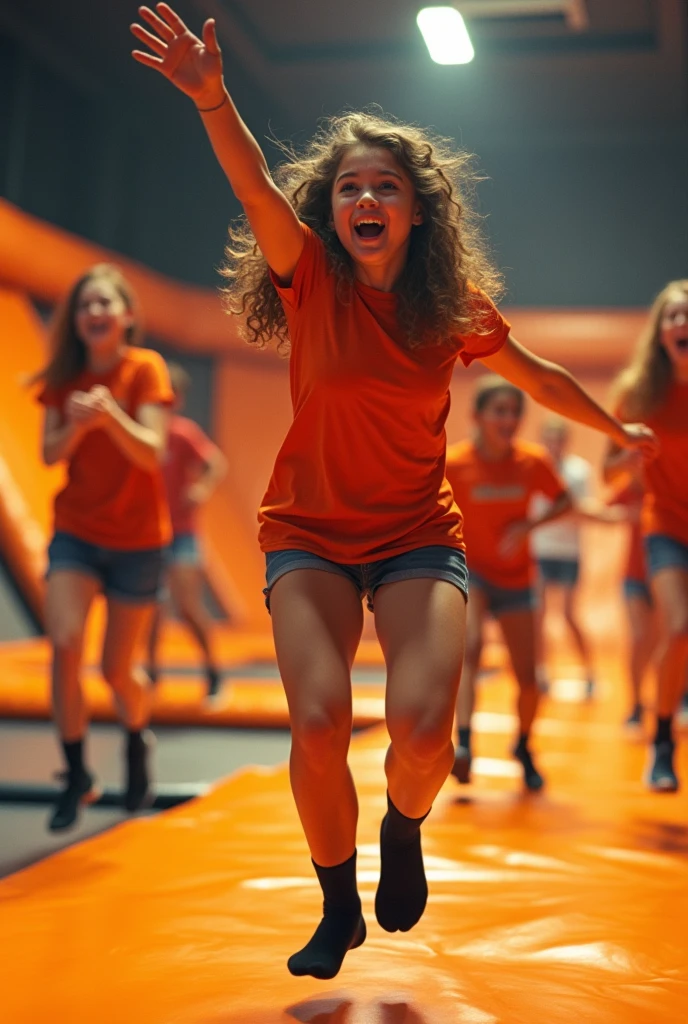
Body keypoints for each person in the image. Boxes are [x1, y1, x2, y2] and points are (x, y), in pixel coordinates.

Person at [130, 3, 655, 979]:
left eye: (384, 186)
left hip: (418, 535)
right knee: (319, 719)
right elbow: (251, 186)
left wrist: (611, 426)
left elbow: (535, 376)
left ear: (418, 209)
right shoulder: (308, 279)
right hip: (309, 535)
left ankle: (402, 823)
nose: (363, 198)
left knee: (422, 732)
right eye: (347, 188)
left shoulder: (450, 308)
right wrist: (212, 97)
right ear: (330, 210)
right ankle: (336, 907)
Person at [34, 263, 173, 831]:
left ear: (127, 317)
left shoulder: (144, 369)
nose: (95, 312)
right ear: (77, 320)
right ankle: (76, 774)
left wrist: (109, 415)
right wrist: (78, 425)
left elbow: (152, 452)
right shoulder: (64, 377)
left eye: (105, 304)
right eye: (86, 304)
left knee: (118, 670)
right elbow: (48, 454)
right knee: (66, 642)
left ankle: (137, 740)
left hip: (138, 540)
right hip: (78, 533)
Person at [446, 378, 571, 791]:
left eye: (515, 412)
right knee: (472, 647)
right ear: (478, 416)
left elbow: (564, 500)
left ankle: (523, 744)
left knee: (528, 676)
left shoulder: (531, 462)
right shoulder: (456, 462)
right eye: (499, 411)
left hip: (517, 577)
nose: (509, 420)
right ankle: (463, 744)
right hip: (474, 570)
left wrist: (529, 525)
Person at [605, 280, 688, 792]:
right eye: (674, 316)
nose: (683, 324)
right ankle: (662, 738)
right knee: (675, 629)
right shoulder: (639, 395)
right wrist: (629, 462)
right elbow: (607, 475)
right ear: (660, 331)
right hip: (666, 527)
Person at [146, 362, 227, 699]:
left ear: (177, 401)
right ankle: (150, 672)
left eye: (169, 398)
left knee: (187, 604)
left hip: (181, 532)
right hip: (148, 534)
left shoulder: (182, 433)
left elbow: (215, 463)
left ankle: (212, 668)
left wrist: (201, 489)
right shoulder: (141, 432)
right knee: (150, 608)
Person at [531, 415, 615, 699]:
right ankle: (541, 671)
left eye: (559, 439)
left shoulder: (578, 471)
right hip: (540, 550)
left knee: (567, 614)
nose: (554, 445)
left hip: (568, 551)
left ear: (566, 442)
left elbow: (581, 509)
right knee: (538, 615)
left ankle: (589, 671)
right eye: (549, 439)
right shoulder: (535, 466)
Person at [606, 478, 657, 733]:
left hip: (665, 574)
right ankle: (636, 703)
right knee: (639, 638)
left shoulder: (665, 486)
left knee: (664, 642)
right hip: (634, 576)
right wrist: (625, 514)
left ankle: (675, 699)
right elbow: (605, 510)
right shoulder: (631, 487)